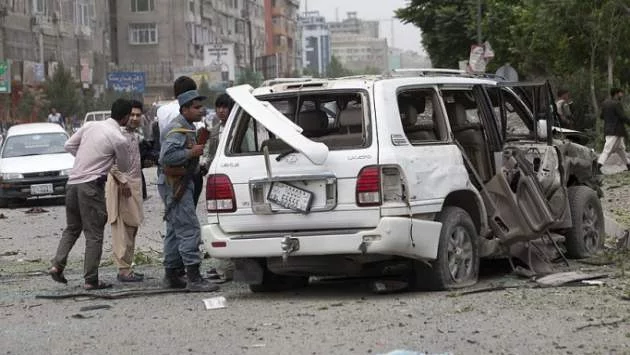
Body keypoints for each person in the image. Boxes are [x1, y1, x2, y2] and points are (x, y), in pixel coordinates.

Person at [48, 99, 131, 290]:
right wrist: (100, 162)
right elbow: (124, 167)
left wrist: (86, 158)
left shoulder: (90, 125)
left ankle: (56, 265)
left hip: (73, 183)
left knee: (72, 228)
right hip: (91, 187)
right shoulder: (118, 138)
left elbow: (68, 145)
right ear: (125, 117)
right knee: (94, 234)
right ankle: (91, 280)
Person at [159, 89, 219, 292]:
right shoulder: (177, 129)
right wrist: (190, 152)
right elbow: (167, 157)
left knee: (175, 230)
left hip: (180, 180)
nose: (201, 110)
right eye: (196, 107)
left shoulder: (188, 128)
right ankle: (193, 277)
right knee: (189, 228)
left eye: (201, 106)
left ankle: (172, 274)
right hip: (174, 182)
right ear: (184, 109)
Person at [106, 100, 145, 282]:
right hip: (123, 186)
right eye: (132, 115)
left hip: (134, 184)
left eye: (138, 115)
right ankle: (123, 269)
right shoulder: (117, 136)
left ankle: (127, 267)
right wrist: (123, 181)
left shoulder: (134, 135)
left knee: (132, 227)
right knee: (123, 228)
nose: (135, 118)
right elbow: (111, 164)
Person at [201, 93, 236, 282]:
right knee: (219, 224)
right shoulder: (214, 131)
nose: (221, 111)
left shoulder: (240, 129)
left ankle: (229, 269)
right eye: (218, 107)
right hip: (219, 182)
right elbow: (209, 155)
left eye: (225, 107)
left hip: (234, 179)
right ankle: (224, 268)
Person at [598, 88, 630, 172]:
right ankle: (597, 165)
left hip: (609, 129)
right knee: (607, 149)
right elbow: (622, 116)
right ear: (616, 94)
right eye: (620, 93)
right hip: (616, 130)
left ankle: (628, 164)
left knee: (621, 149)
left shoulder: (605, 103)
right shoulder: (617, 104)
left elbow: (601, 116)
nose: (622, 95)